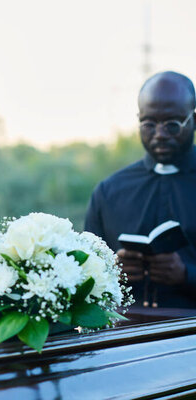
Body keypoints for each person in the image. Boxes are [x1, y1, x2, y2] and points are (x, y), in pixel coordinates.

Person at [85, 71, 196, 308]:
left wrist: (187, 274)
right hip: (123, 337)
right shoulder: (109, 191)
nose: (160, 134)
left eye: (173, 125)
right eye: (149, 124)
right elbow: (83, 276)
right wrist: (111, 269)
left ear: (193, 119)